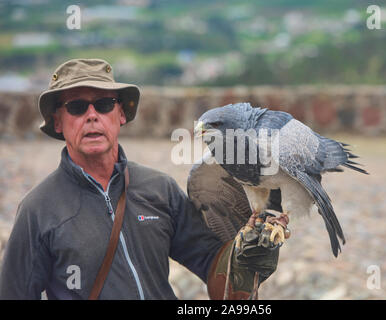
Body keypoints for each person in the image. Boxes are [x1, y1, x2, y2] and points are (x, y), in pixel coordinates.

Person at [0, 58, 280, 300]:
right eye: (76, 107)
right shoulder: (38, 210)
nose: (92, 116)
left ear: (120, 114)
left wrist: (246, 260)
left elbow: (214, 267)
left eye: (104, 104)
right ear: (58, 121)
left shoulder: (159, 189)